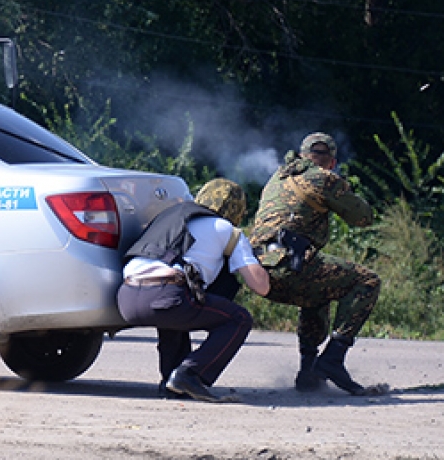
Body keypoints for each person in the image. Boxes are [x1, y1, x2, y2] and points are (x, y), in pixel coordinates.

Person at [249, 132, 382, 395]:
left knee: (319, 290)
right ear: (331, 162)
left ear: (302, 156)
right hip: (289, 264)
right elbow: (364, 217)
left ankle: (308, 372)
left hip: (258, 271)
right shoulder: (324, 178)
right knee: (367, 281)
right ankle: (333, 359)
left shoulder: (278, 177)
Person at [118, 178, 271, 402]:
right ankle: (191, 374)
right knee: (238, 319)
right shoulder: (225, 228)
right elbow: (261, 287)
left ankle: (171, 381)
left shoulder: (169, 216)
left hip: (127, 298)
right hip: (165, 296)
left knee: (175, 310)